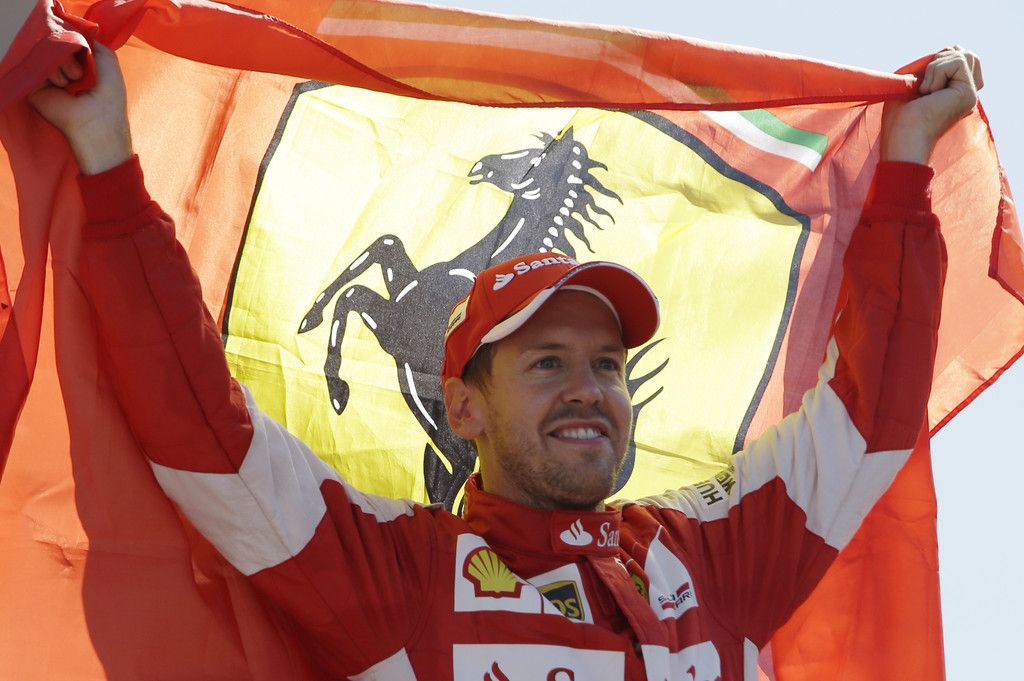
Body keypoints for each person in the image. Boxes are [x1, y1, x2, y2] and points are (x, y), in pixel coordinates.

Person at [30, 42, 980, 680]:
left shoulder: (710, 559)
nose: (589, 390)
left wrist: (904, 170)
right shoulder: (401, 577)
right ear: (463, 407)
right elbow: (207, 437)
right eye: (546, 363)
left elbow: (870, 419)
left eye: (608, 364)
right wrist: (110, 170)